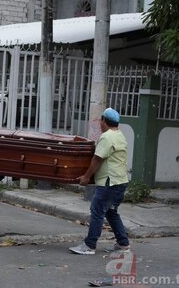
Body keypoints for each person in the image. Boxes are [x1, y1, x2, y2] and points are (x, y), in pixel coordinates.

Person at [69, 107, 130, 255]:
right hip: (121, 181)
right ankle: (123, 244)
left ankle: (90, 245)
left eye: (101, 121)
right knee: (111, 212)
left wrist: (86, 176)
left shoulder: (107, 137)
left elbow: (97, 159)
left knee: (97, 211)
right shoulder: (120, 134)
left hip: (109, 182)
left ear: (104, 121)